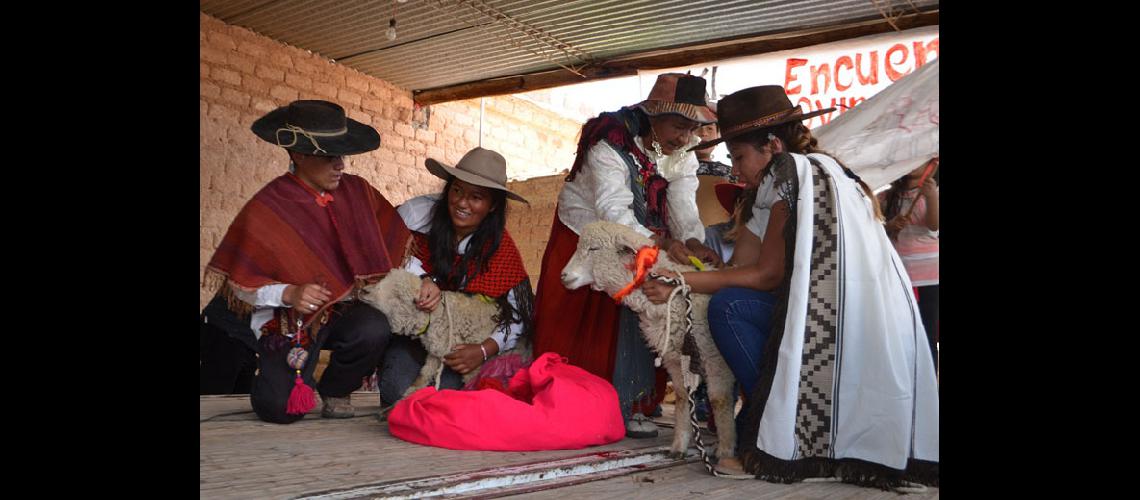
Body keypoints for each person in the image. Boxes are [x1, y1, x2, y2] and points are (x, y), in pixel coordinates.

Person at [642, 86, 938, 487]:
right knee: (730, 301)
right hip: (841, 321)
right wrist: (704, 266)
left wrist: (681, 280)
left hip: (844, 325)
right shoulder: (770, 187)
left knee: (728, 308)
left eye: (740, 157)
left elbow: (766, 276)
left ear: (773, 145)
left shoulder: (795, 173)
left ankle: (780, 426)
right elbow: (743, 267)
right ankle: (770, 422)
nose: (734, 168)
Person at [532, 73, 721, 438]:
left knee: (644, 304)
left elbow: (683, 205)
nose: (685, 138)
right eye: (678, 127)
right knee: (589, 320)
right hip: (586, 232)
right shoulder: (609, 145)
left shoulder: (682, 153)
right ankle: (572, 397)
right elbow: (613, 210)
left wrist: (694, 242)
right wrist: (662, 245)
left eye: (692, 129)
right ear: (653, 115)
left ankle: (633, 402)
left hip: (644, 234)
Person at [201, 100, 411, 424]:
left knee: (373, 327)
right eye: (329, 156)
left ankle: (336, 390)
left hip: (341, 310)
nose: (340, 164)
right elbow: (242, 283)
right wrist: (289, 293)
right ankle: (276, 377)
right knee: (280, 410)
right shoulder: (268, 206)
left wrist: (423, 280)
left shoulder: (359, 193)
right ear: (298, 155)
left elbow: (395, 243)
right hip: (289, 320)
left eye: (342, 155)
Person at [379, 147, 534, 407]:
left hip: (463, 347)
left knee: (447, 401)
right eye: (457, 190)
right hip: (414, 337)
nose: (462, 203)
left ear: (492, 205)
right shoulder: (416, 216)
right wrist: (423, 280)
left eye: (476, 197)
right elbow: (387, 253)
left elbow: (516, 315)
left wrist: (483, 350)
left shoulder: (500, 250)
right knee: (397, 394)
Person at [880, 158, 939, 370]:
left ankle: (930, 379)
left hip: (929, 277)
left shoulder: (933, 192)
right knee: (903, 331)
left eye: (920, 159)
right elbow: (873, 227)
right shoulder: (886, 196)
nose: (914, 163)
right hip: (899, 275)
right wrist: (889, 225)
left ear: (930, 165)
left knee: (928, 331)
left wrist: (931, 196)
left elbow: (934, 225)